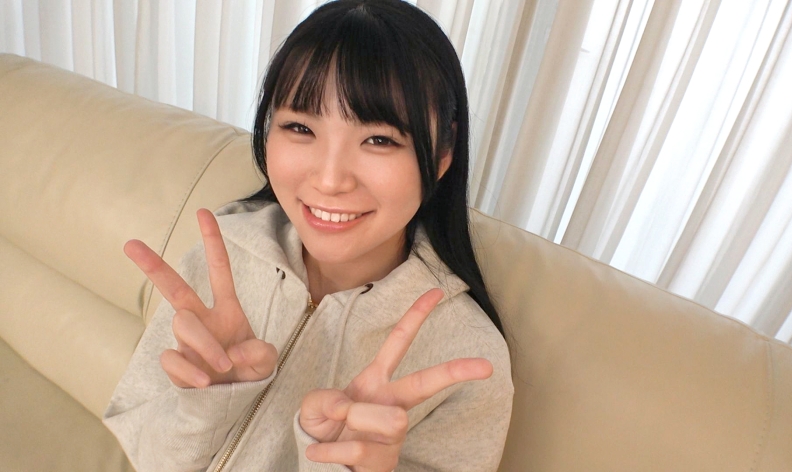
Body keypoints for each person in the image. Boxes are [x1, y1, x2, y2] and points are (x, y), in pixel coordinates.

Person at [103, 1, 513, 470]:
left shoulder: (468, 358)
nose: (330, 179)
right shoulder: (225, 257)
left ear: (442, 156)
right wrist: (204, 408)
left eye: (379, 139)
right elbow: (143, 455)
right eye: (300, 127)